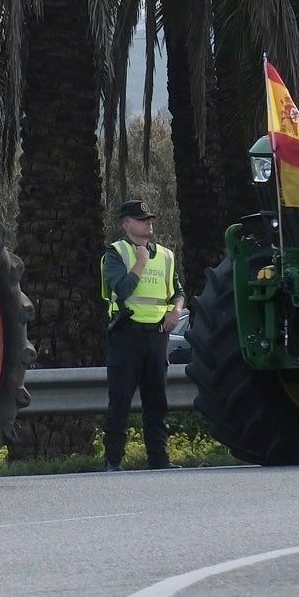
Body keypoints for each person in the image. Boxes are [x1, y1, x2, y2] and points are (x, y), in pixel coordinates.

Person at [101, 199, 182, 471]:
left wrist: (177, 311)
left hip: (157, 337)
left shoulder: (167, 256)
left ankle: (159, 460)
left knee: (157, 401)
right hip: (127, 334)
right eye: (141, 219)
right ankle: (113, 461)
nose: (148, 223)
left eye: (149, 219)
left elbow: (177, 291)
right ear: (126, 225)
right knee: (120, 401)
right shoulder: (116, 254)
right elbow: (121, 289)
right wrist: (140, 264)